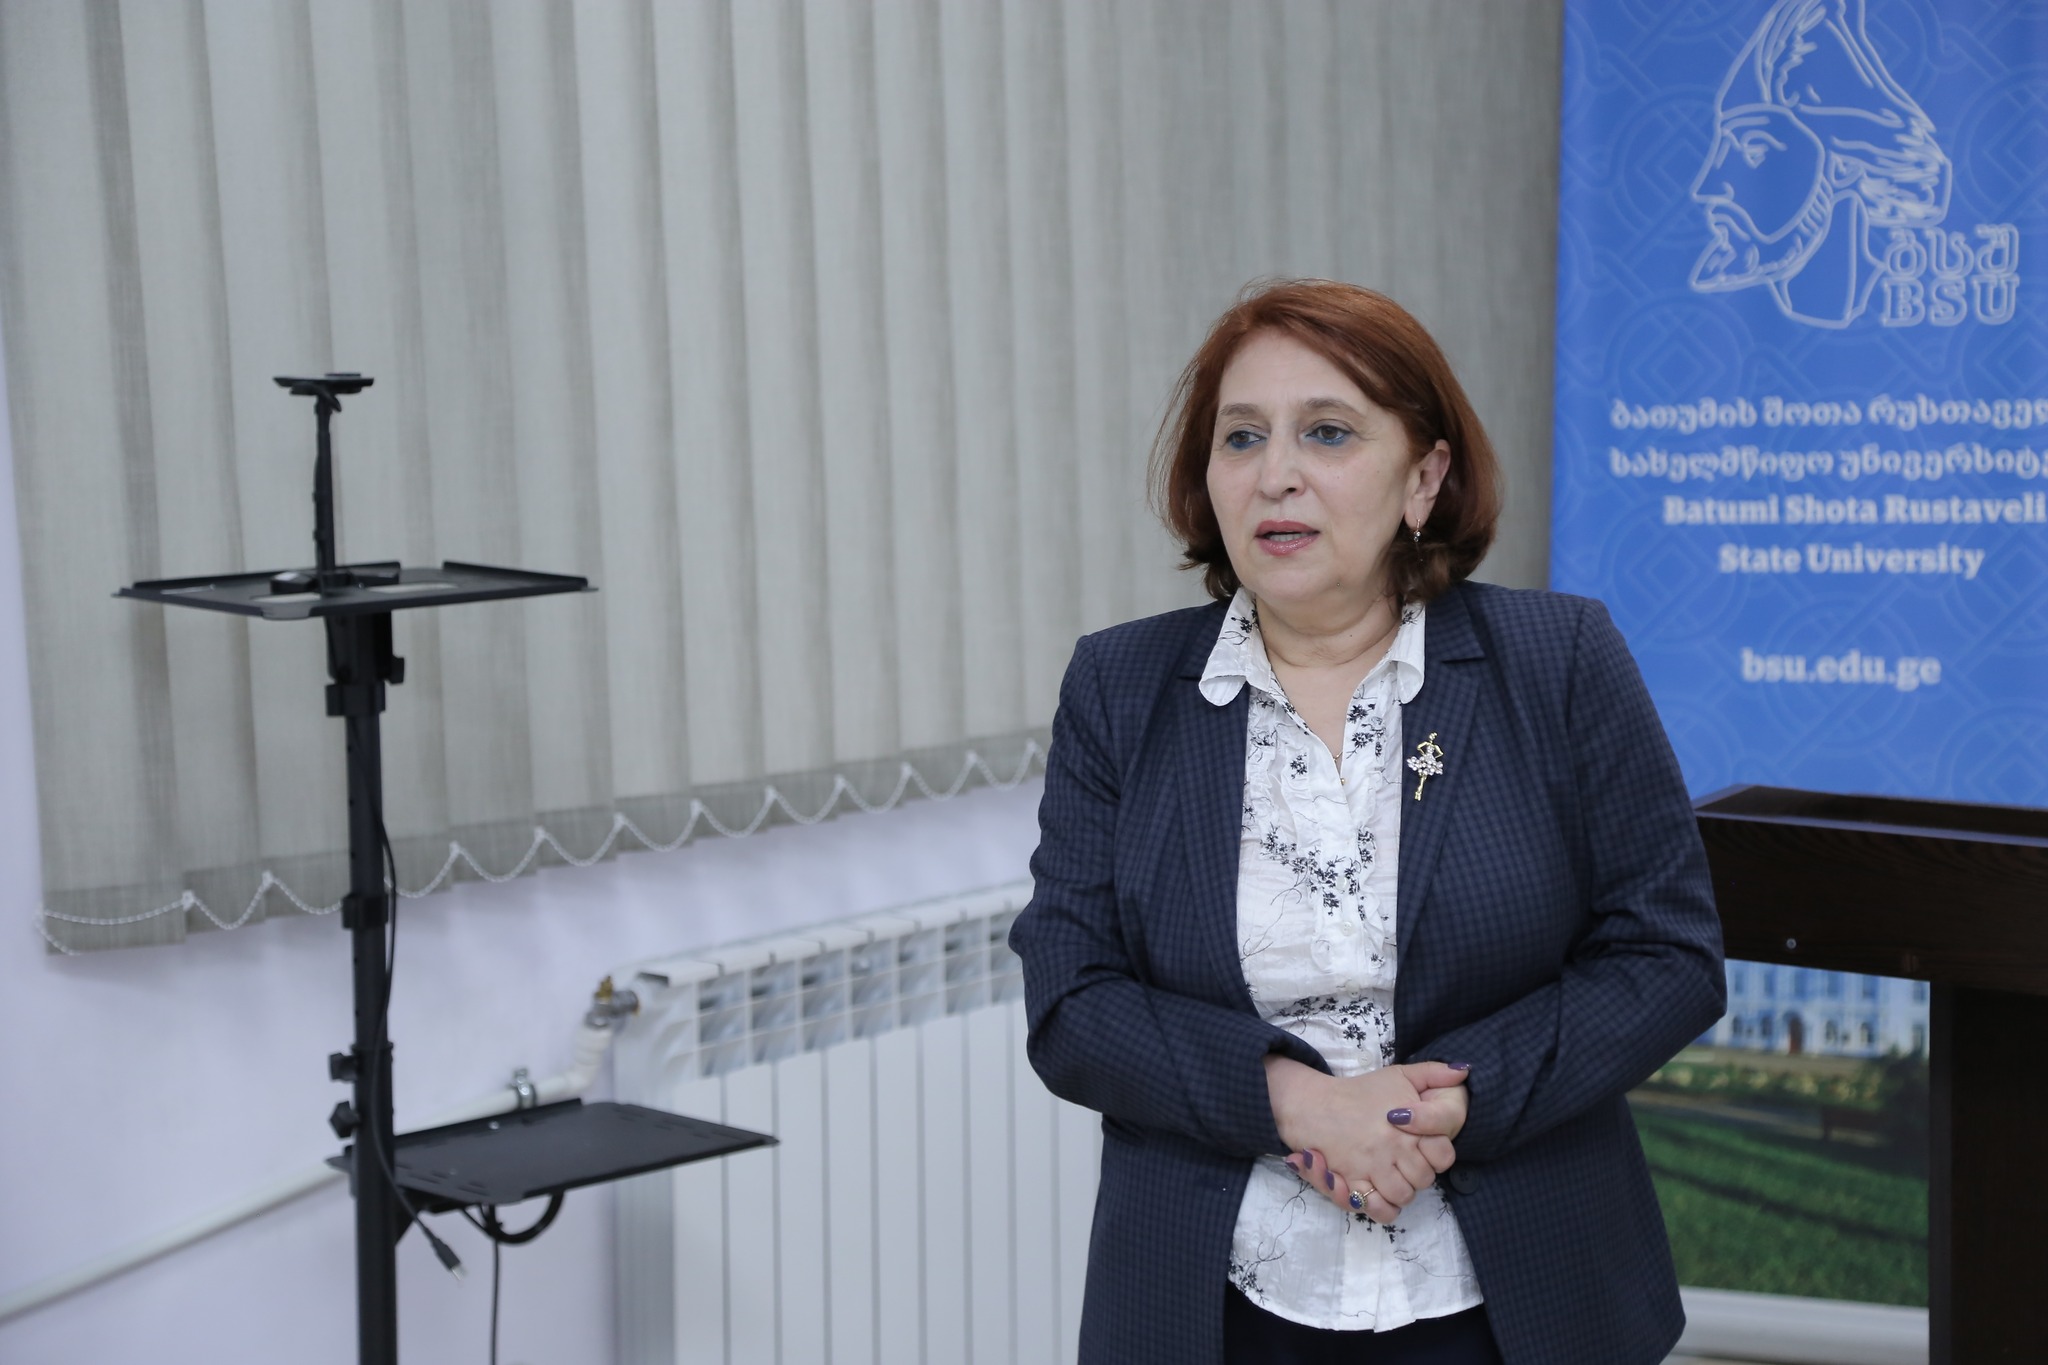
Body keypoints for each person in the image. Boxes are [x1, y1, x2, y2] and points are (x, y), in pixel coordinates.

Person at [1008, 280, 1725, 1364]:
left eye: (1328, 432)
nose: (1275, 474)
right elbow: (1071, 999)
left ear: (1423, 477)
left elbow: (1665, 954)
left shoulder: (1558, 660)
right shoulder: (1121, 686)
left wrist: (1430, 1112)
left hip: (1519, 1287)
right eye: (1241, 437)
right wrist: (1294, 1102)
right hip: (1212, 1297)